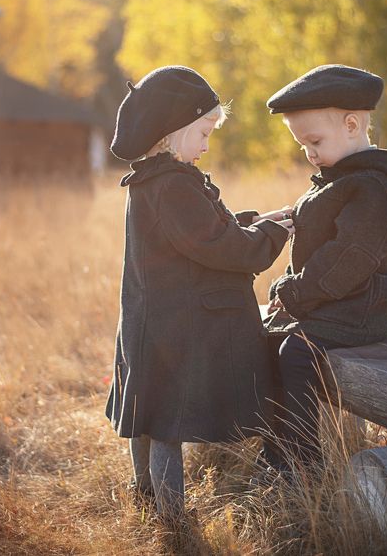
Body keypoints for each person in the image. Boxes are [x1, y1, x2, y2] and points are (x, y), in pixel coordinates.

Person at [104, 65, 294, 521]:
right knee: (166, 419)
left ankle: (146, 497)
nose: (208, 145)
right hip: (175, 326)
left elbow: (209, 230)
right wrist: (269, 236)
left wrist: (258, 221)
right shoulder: (173, 186)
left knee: (149, 412)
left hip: (151, 318)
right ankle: (172, 519)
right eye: (203, 132)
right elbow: (219, 244)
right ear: (173, 132)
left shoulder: (155, 179)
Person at [261, 64, 387, 475]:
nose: (309, 153)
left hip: (361, 311)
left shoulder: (374, 187)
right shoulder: (340, 178)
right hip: (334, 305)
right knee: (267, 340)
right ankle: (276, 450)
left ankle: (303, 464)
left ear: (352, 125)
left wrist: (295, 292)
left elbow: (347, 258)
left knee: (296, 353)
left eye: (314, 141)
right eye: (302, 146)